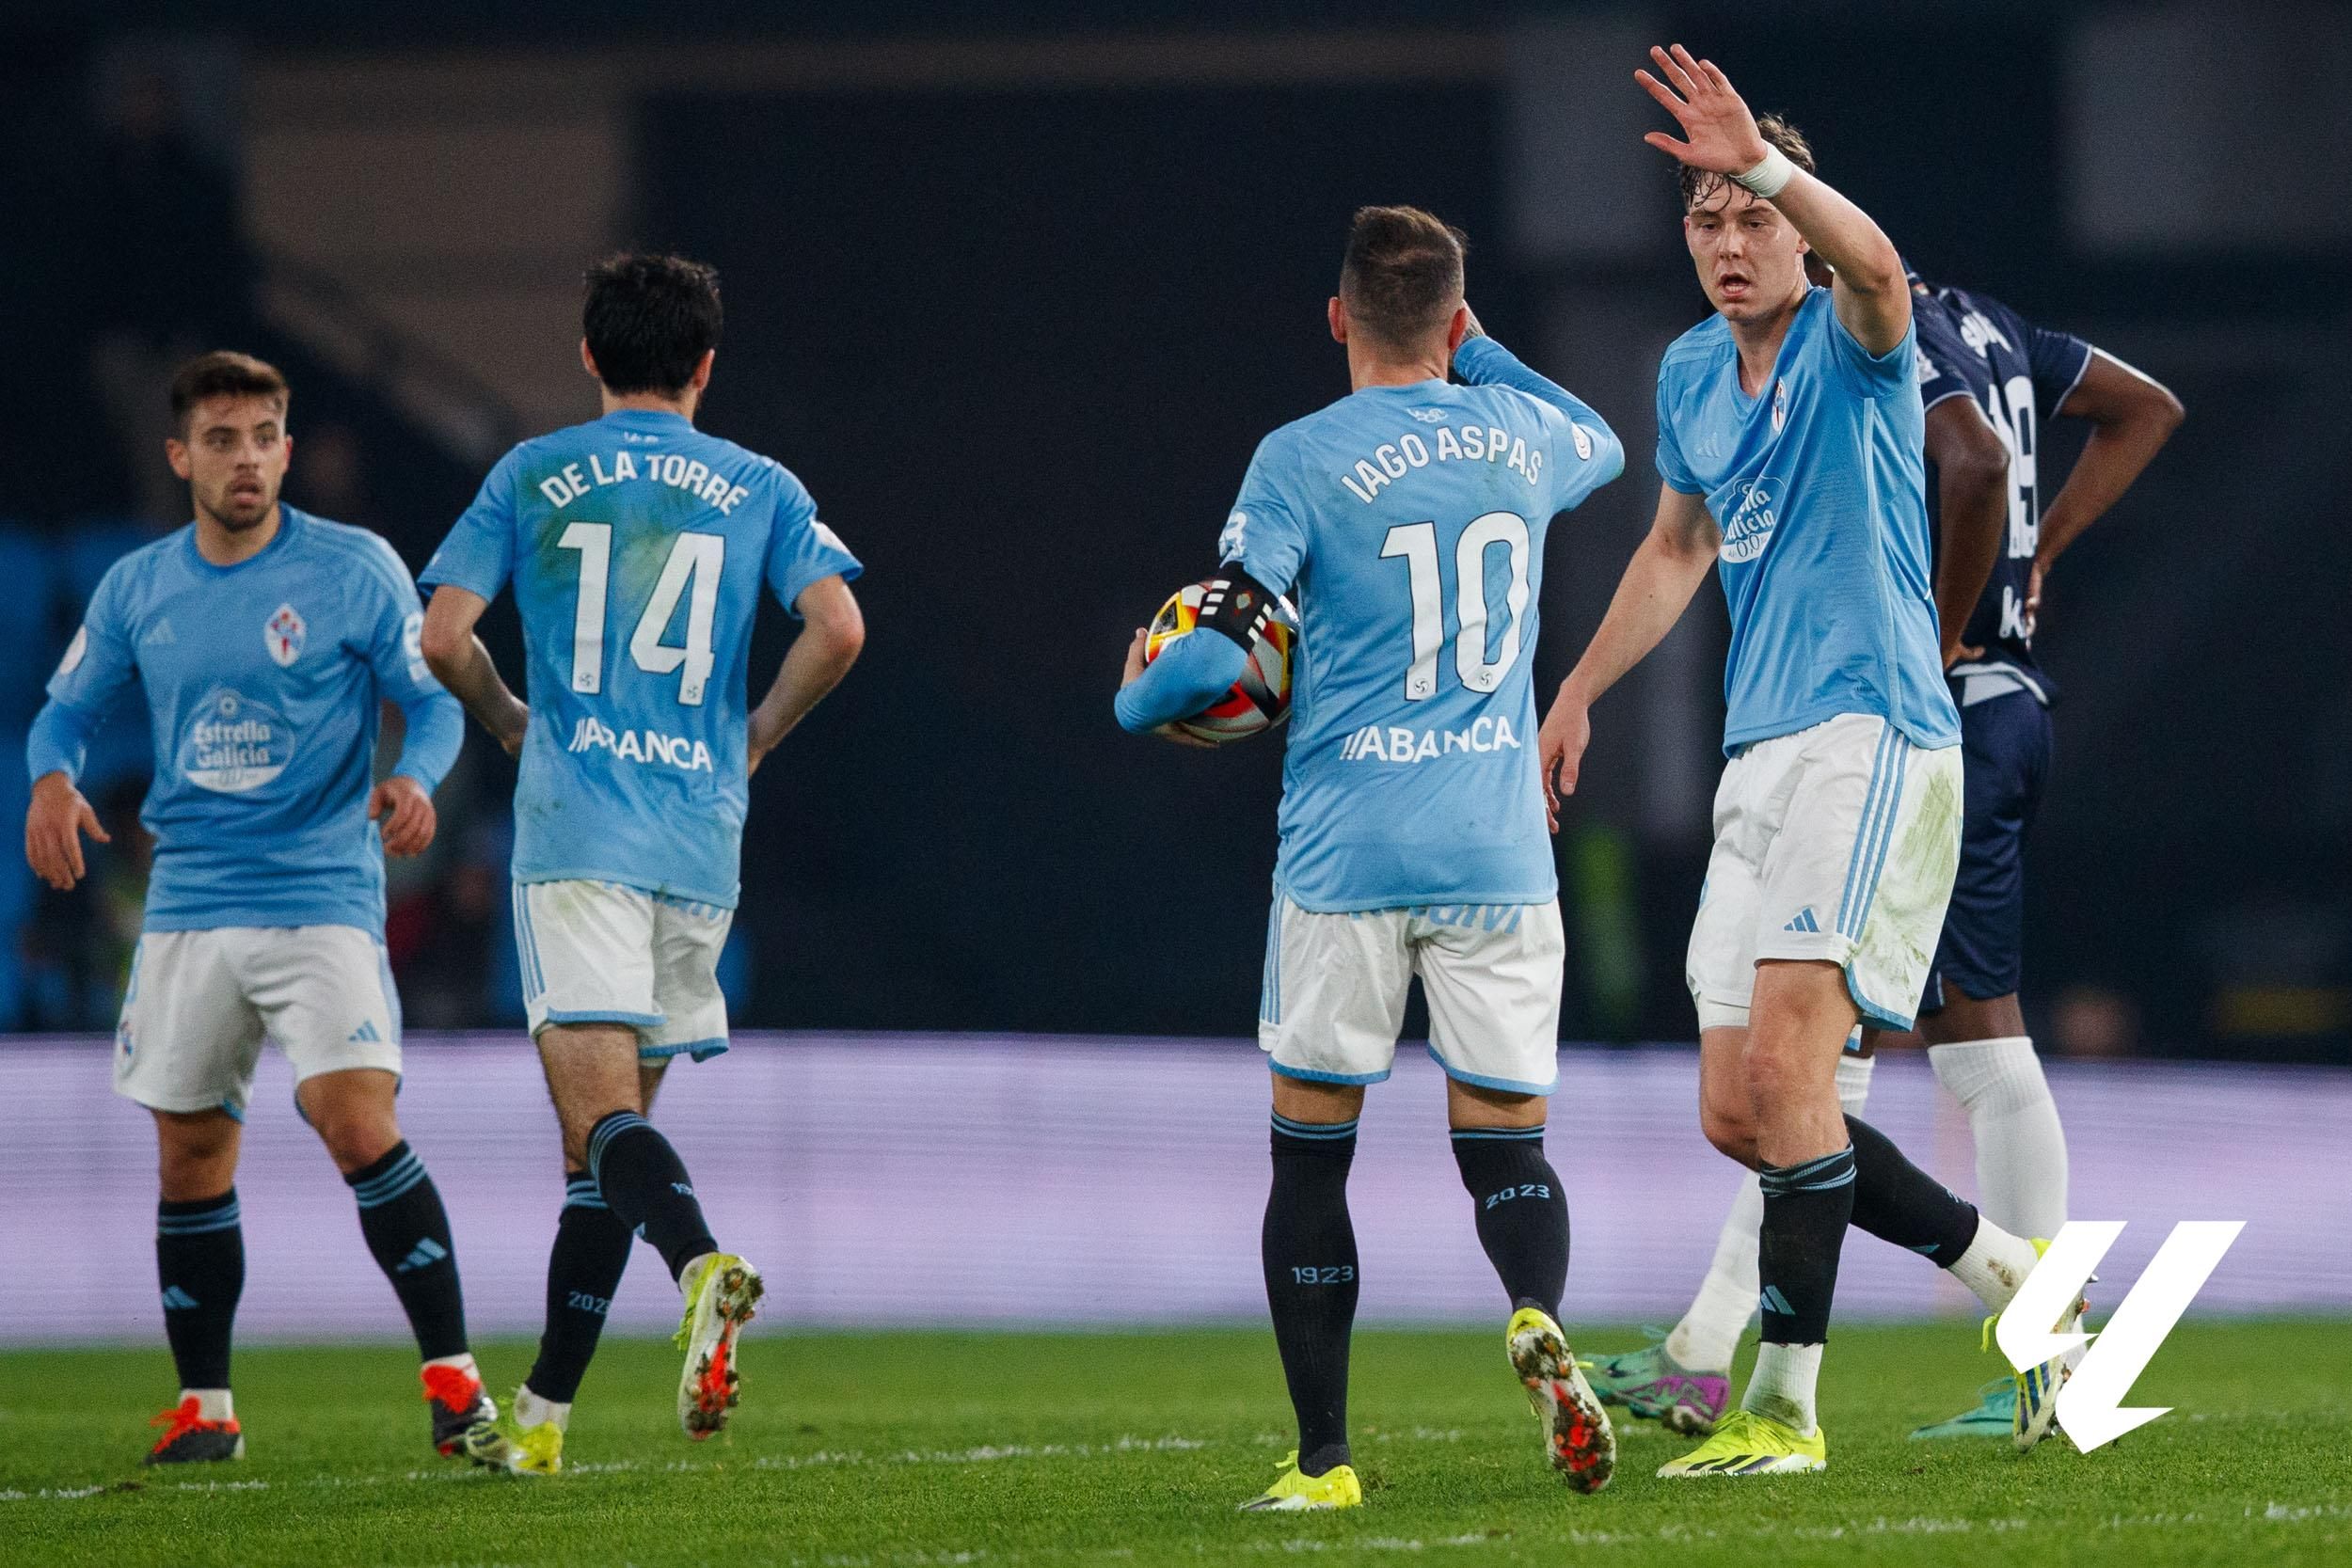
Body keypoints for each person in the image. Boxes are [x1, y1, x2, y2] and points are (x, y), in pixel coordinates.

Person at [1536, 48, 2078, 1478]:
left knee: (1794, 1068)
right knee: (1744, 1107)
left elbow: (1883, 260)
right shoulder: (1688, 372)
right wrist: (1579, 689)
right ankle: (2018, 1277)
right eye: (1705, 222)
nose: (1727, 245)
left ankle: (1784, 1409)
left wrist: (1772, 165)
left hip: (1878, 733)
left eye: (1751, 218)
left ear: (1793, 224)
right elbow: (1676, 546)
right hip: (1760, 751)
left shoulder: (1857, 330)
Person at [1585, 260, 2182, 1441]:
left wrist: (1943, 630)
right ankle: (1711, 1345)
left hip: (1926, 708)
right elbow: (2147, 405)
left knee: (1911, 1054)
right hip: (1993, 699)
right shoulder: (1989, 312)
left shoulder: (1884, 327)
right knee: (1836, 1054)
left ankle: (2045, 1354)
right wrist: (2043, 552)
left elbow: (1969, 462)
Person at [1117, 206, 1627, 1509]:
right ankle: (1533, 1311)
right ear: (1456, 325)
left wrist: (1137, 695)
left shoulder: (1295, 459)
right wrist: (1482, 356)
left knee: (1310, 1154)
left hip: (1347, 847)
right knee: (1508, 1143)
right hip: (1500, 847)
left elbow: (1227, 646)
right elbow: (1607, 440)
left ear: (1337, 319)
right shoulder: (1521, 432)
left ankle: (1326, 1458)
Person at [419, 253, 866, 1475]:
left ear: (586, 353)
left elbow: (444, 634)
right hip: (698, 836)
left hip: (579, 830)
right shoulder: (760, 483)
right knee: (600, 1153)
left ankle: (701, 1261)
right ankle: (546, 1419)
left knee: (598, 1119)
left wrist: (510, 717)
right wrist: (758, 734)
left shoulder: (534, 471)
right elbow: (839, 627)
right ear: (706, 364)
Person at [23, 351, 497, 1466]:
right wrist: (51, 780)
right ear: (181, 453)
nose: (248, 458)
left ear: (287, 447)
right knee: (191, 1155)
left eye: (266, 435)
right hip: (189, 906)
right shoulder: (139, 586)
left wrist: (419, 777)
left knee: (353, 1118)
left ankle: (457, 1386)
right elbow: (65, 711)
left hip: (321, 898)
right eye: (224, 439)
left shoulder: (355, 567)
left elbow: (429, 709)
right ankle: (207, 1409)